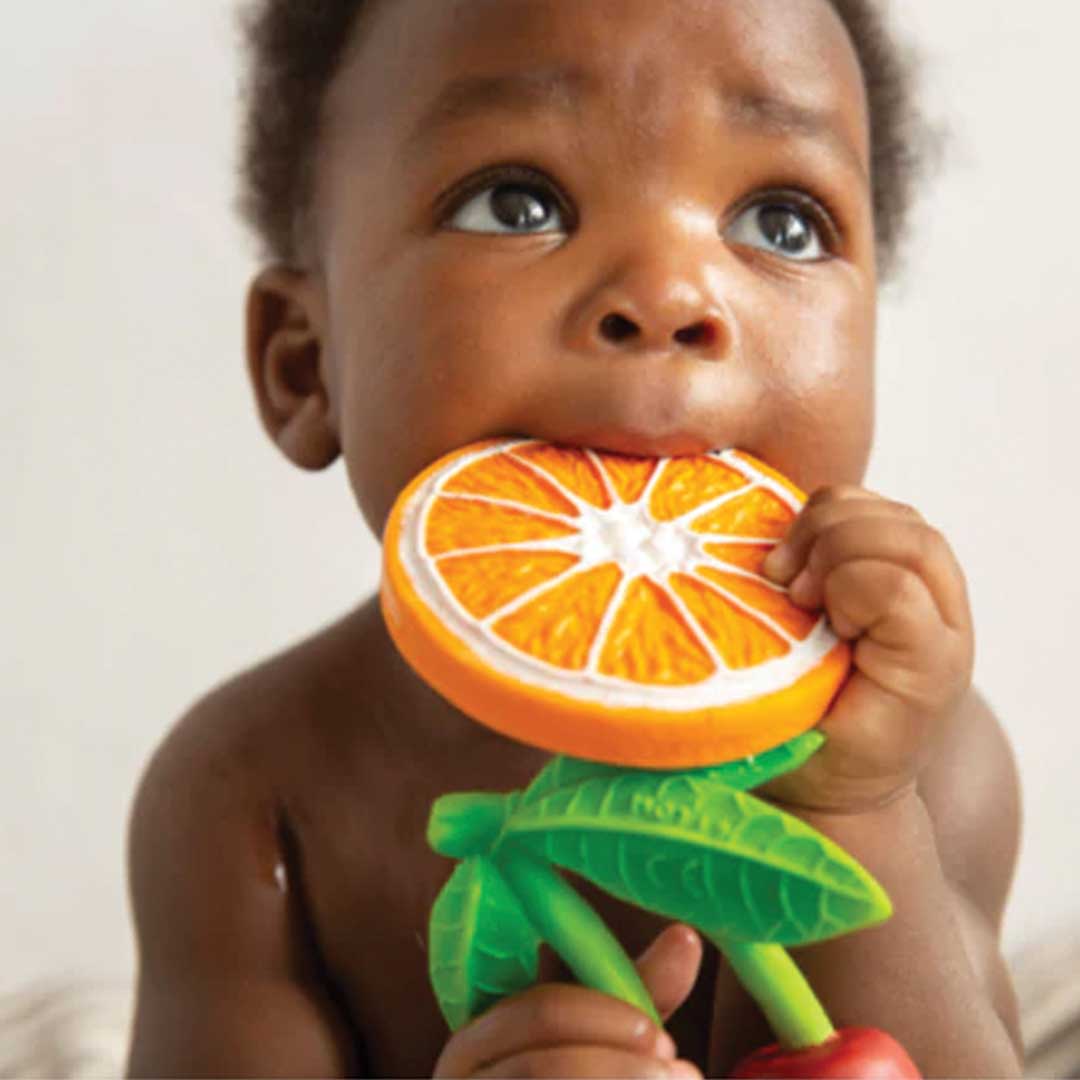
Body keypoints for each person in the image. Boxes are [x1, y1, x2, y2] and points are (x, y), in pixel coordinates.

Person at [124, 0, 1025, 1075]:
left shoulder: (931, 758)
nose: (667, 294)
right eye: (518, 203)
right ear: (304, 367)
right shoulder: (250, 795)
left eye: (781, 221)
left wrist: (855, 812)